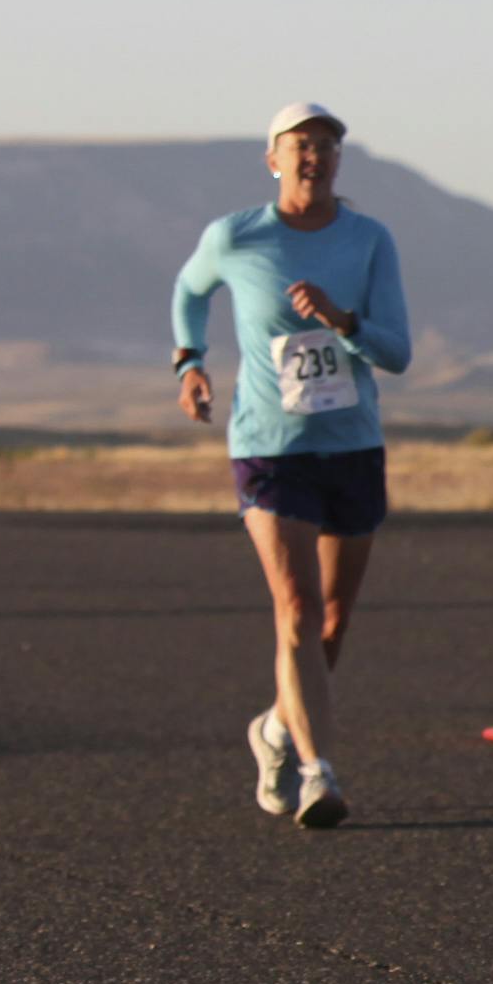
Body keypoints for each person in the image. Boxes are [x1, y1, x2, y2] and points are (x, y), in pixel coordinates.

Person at [171, 102, 412, 831]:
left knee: (333, 620)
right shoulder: (236, 236)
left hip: (351, 445)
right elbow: (189, 290)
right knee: (298, 611)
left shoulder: (369, 239)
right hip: (270, 447)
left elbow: (397, 353)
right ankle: (318, 772)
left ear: (340, 162)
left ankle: (275, 729)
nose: (314, 157)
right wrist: (189, 361)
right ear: (272, 159)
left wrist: (343, 321)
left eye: (327, 147)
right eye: (299, 145)